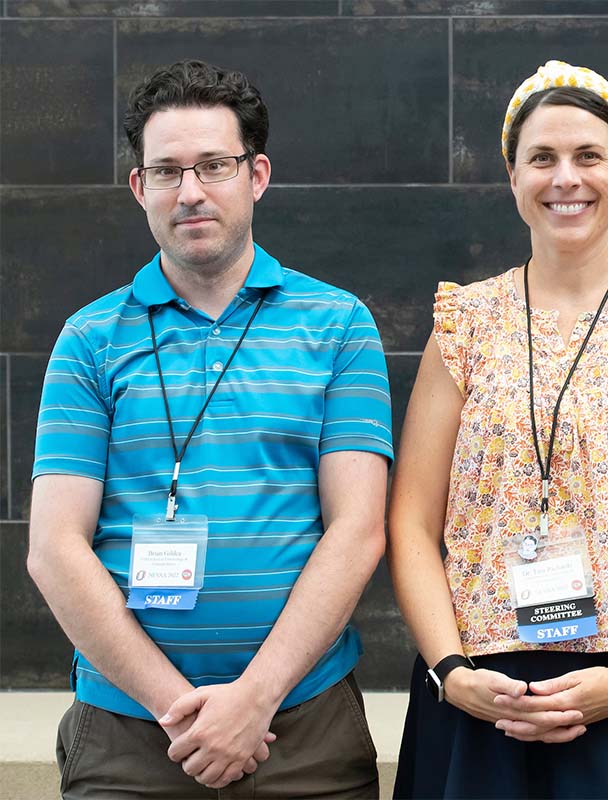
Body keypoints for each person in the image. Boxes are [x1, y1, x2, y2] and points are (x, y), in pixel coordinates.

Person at [27, 60, 392, 798]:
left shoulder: (339, 326)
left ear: (255, 175)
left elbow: (358, 530)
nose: (190, 191)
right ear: (140, 188)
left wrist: (254, 698)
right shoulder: (89, 338)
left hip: (301, 725)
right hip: (130, 733)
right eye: (166, 171)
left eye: (213, 166)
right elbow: (54, 549)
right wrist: (180, 711)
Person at [387, 60, 608, 798]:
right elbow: (412, 524)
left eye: (588, 156)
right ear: (511, 176)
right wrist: (451, 673)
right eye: (541, 158)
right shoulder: (464, 324)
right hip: (479, 695)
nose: (565, 179)